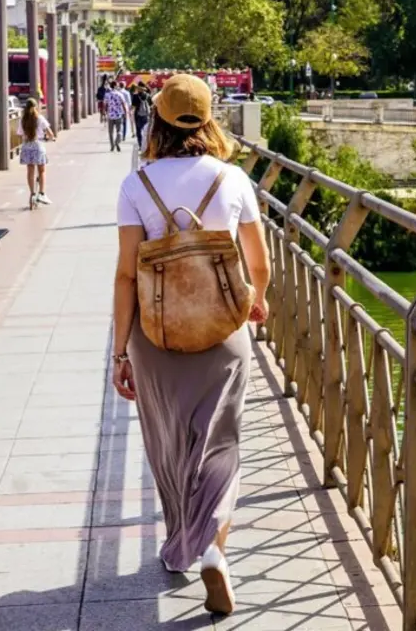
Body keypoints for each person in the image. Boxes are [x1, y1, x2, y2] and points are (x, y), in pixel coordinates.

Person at [111, 74, 271, 616]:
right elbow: (260, 265)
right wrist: (256, 301)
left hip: (154, 334)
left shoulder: (137, 184)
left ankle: (181, 542)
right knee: (220, 442)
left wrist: (119, 351)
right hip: (223, 330)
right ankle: (212, 550)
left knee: (168, 440)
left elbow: (126, 276)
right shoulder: (232, 179)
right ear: (208, 120)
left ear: (155, 118)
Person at [19, 97, 56, 209]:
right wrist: (51, 138)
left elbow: (20, 134)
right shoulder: (39, 118)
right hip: (38, 145)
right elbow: (50, 133)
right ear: (36, 107)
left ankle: (32, 194)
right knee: (41, 170)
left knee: (30, 170)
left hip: (26, 146)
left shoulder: (23, 119)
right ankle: (42, 194)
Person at [105, 80, 130, 152]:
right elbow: (123, 104)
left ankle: (112, 145)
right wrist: (125, 113)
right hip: (119, 115)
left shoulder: (107, 95)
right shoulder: (120, 94)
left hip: (110, 115)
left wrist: (105, 113)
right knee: (120, 131)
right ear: (115, 86)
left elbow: (105, 105)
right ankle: (117, 142)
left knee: (110, 132)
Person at [131, 83, 152, 150]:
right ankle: (147, 145)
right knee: (147, 130)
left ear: (138, 89)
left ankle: (140, 145)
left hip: (138, 115)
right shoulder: (148, 95)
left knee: (138, 131)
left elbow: (133, 107)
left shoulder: (135, 96)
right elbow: (151, 105)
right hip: (146, 115)